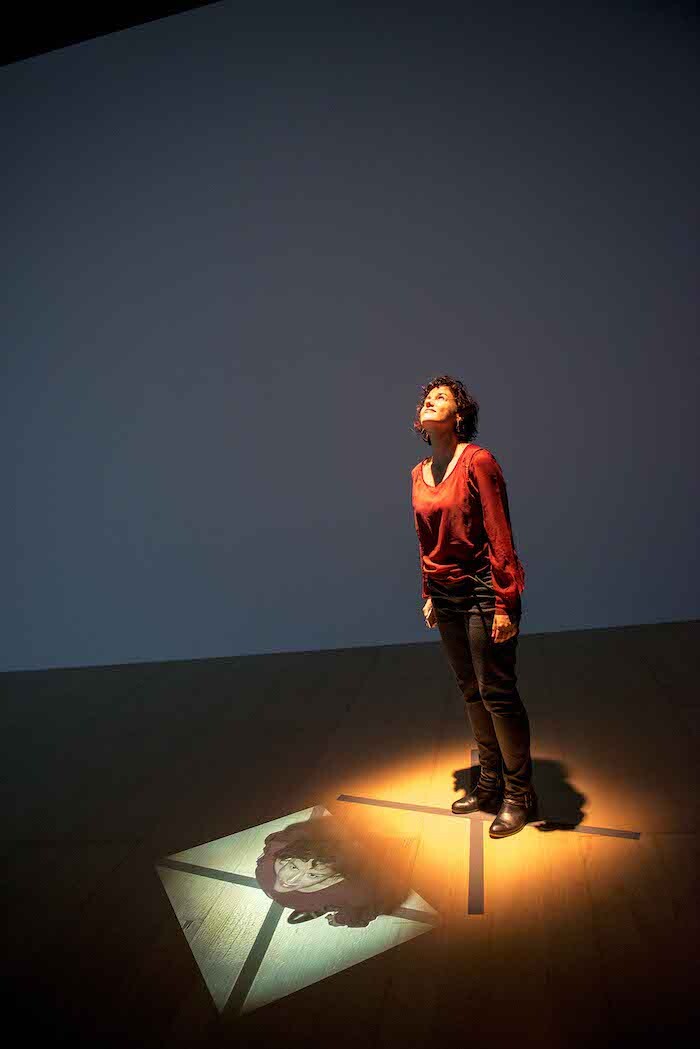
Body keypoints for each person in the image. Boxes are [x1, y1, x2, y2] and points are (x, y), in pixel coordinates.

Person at [410, 375, 538, 838]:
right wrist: (428, 591)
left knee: (496, 692)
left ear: (459, 415)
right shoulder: (418, 473)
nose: (430, 401)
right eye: (427, 398)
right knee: (470, 691)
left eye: (441, 397)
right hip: (444, 593)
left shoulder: (478, 462)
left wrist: (506, 601)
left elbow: (500, 533)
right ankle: (488, 783)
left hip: (483, 589)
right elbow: (425, 539)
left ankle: (519, 793)